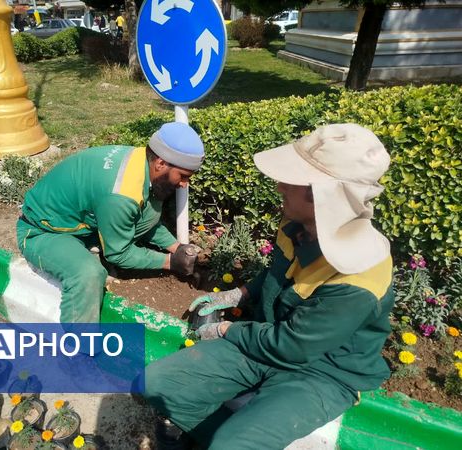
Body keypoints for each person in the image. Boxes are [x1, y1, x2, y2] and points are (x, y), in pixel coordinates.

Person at [144, 124, 395, 450]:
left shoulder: (360, 277)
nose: (279, 185)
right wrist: (241, 294)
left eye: (291, 179)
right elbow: (280, 272)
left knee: (234, 444)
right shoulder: (298, 223)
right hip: (269, 338)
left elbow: (292, 346)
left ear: (321, 195)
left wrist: (224, 331)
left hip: (323, 373)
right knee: (157, 384)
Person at [17, 122, 205, 323]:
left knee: (149, 211)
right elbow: (119, 253)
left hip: (79, 222)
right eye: (183, 176)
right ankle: (80, 348)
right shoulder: (121, 195)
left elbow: (146, 220)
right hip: (42, 230)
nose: (185, 184)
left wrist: (178, 248)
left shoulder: (140, 162)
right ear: (160, 163)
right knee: (88, 275)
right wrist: (170, 262)